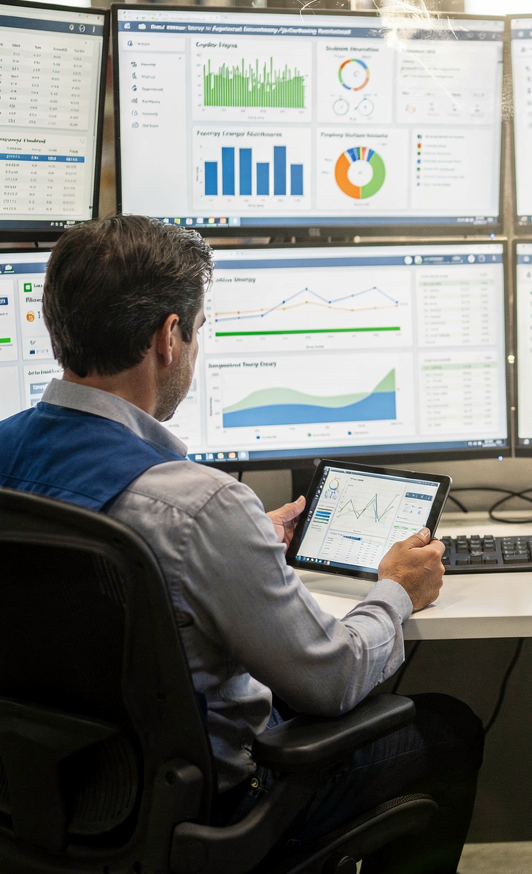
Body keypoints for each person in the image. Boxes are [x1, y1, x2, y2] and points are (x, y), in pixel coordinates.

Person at [0, 216, 482, 874]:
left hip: (47, 793)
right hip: (213, 807)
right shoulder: (202, 508)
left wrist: (243, 543)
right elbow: (332, 679)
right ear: (169, 337)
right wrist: (395, 590)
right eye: (198, 332)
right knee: (448, 729)